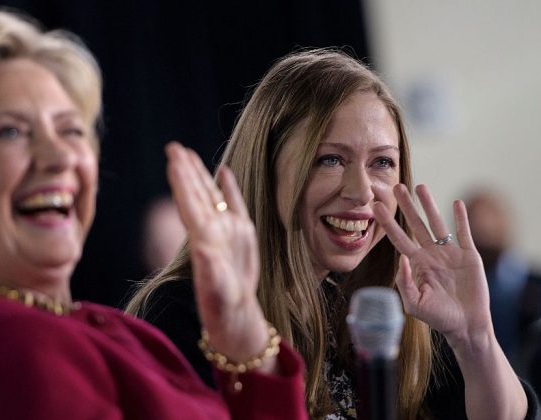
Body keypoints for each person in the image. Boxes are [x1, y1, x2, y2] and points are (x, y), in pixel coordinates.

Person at [0, 9, 308, 420]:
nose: (59, 158)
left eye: (71, 129)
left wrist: (241, 330)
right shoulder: (6, 346)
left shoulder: (101, 331)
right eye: (9, 132)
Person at [126, 49, 539, 419]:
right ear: (267, 167)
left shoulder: (375, 314)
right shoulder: (182, 312)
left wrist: (473, 336)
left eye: (381, 163)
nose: (361, 192)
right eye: (330, 159)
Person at [465, 188, 541, 368]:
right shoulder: (455, 293)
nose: (481, 225)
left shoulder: (535, 286)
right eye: (472, 218)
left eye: (489, 216)